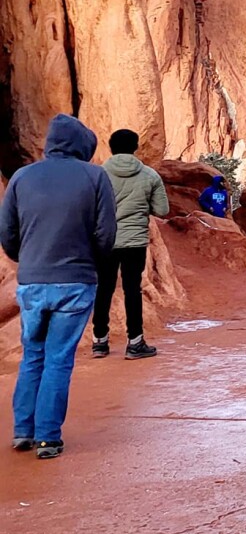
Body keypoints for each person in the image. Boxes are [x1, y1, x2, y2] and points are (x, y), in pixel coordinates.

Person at [0, 114, 116, 458]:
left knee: (32, 355)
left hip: (32, 282)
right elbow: (106, 235)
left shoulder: (22, 177)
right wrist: (86, 260)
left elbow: (7, 233)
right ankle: (48, 437)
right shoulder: (95, 177)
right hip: (76, 283)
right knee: (59, 359)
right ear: (83, 146)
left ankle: (23, 431)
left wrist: (28, 259)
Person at [93, 129, 169, 361]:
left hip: (105, 239)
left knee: (104, 288)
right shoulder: (149, 175)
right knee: (132, 290)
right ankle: (135, 343)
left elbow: (89, 208)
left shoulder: (98, 174)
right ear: (136, 147)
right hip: (134, 241)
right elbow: (162, 210)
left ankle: (100, 342)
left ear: (110, 147)